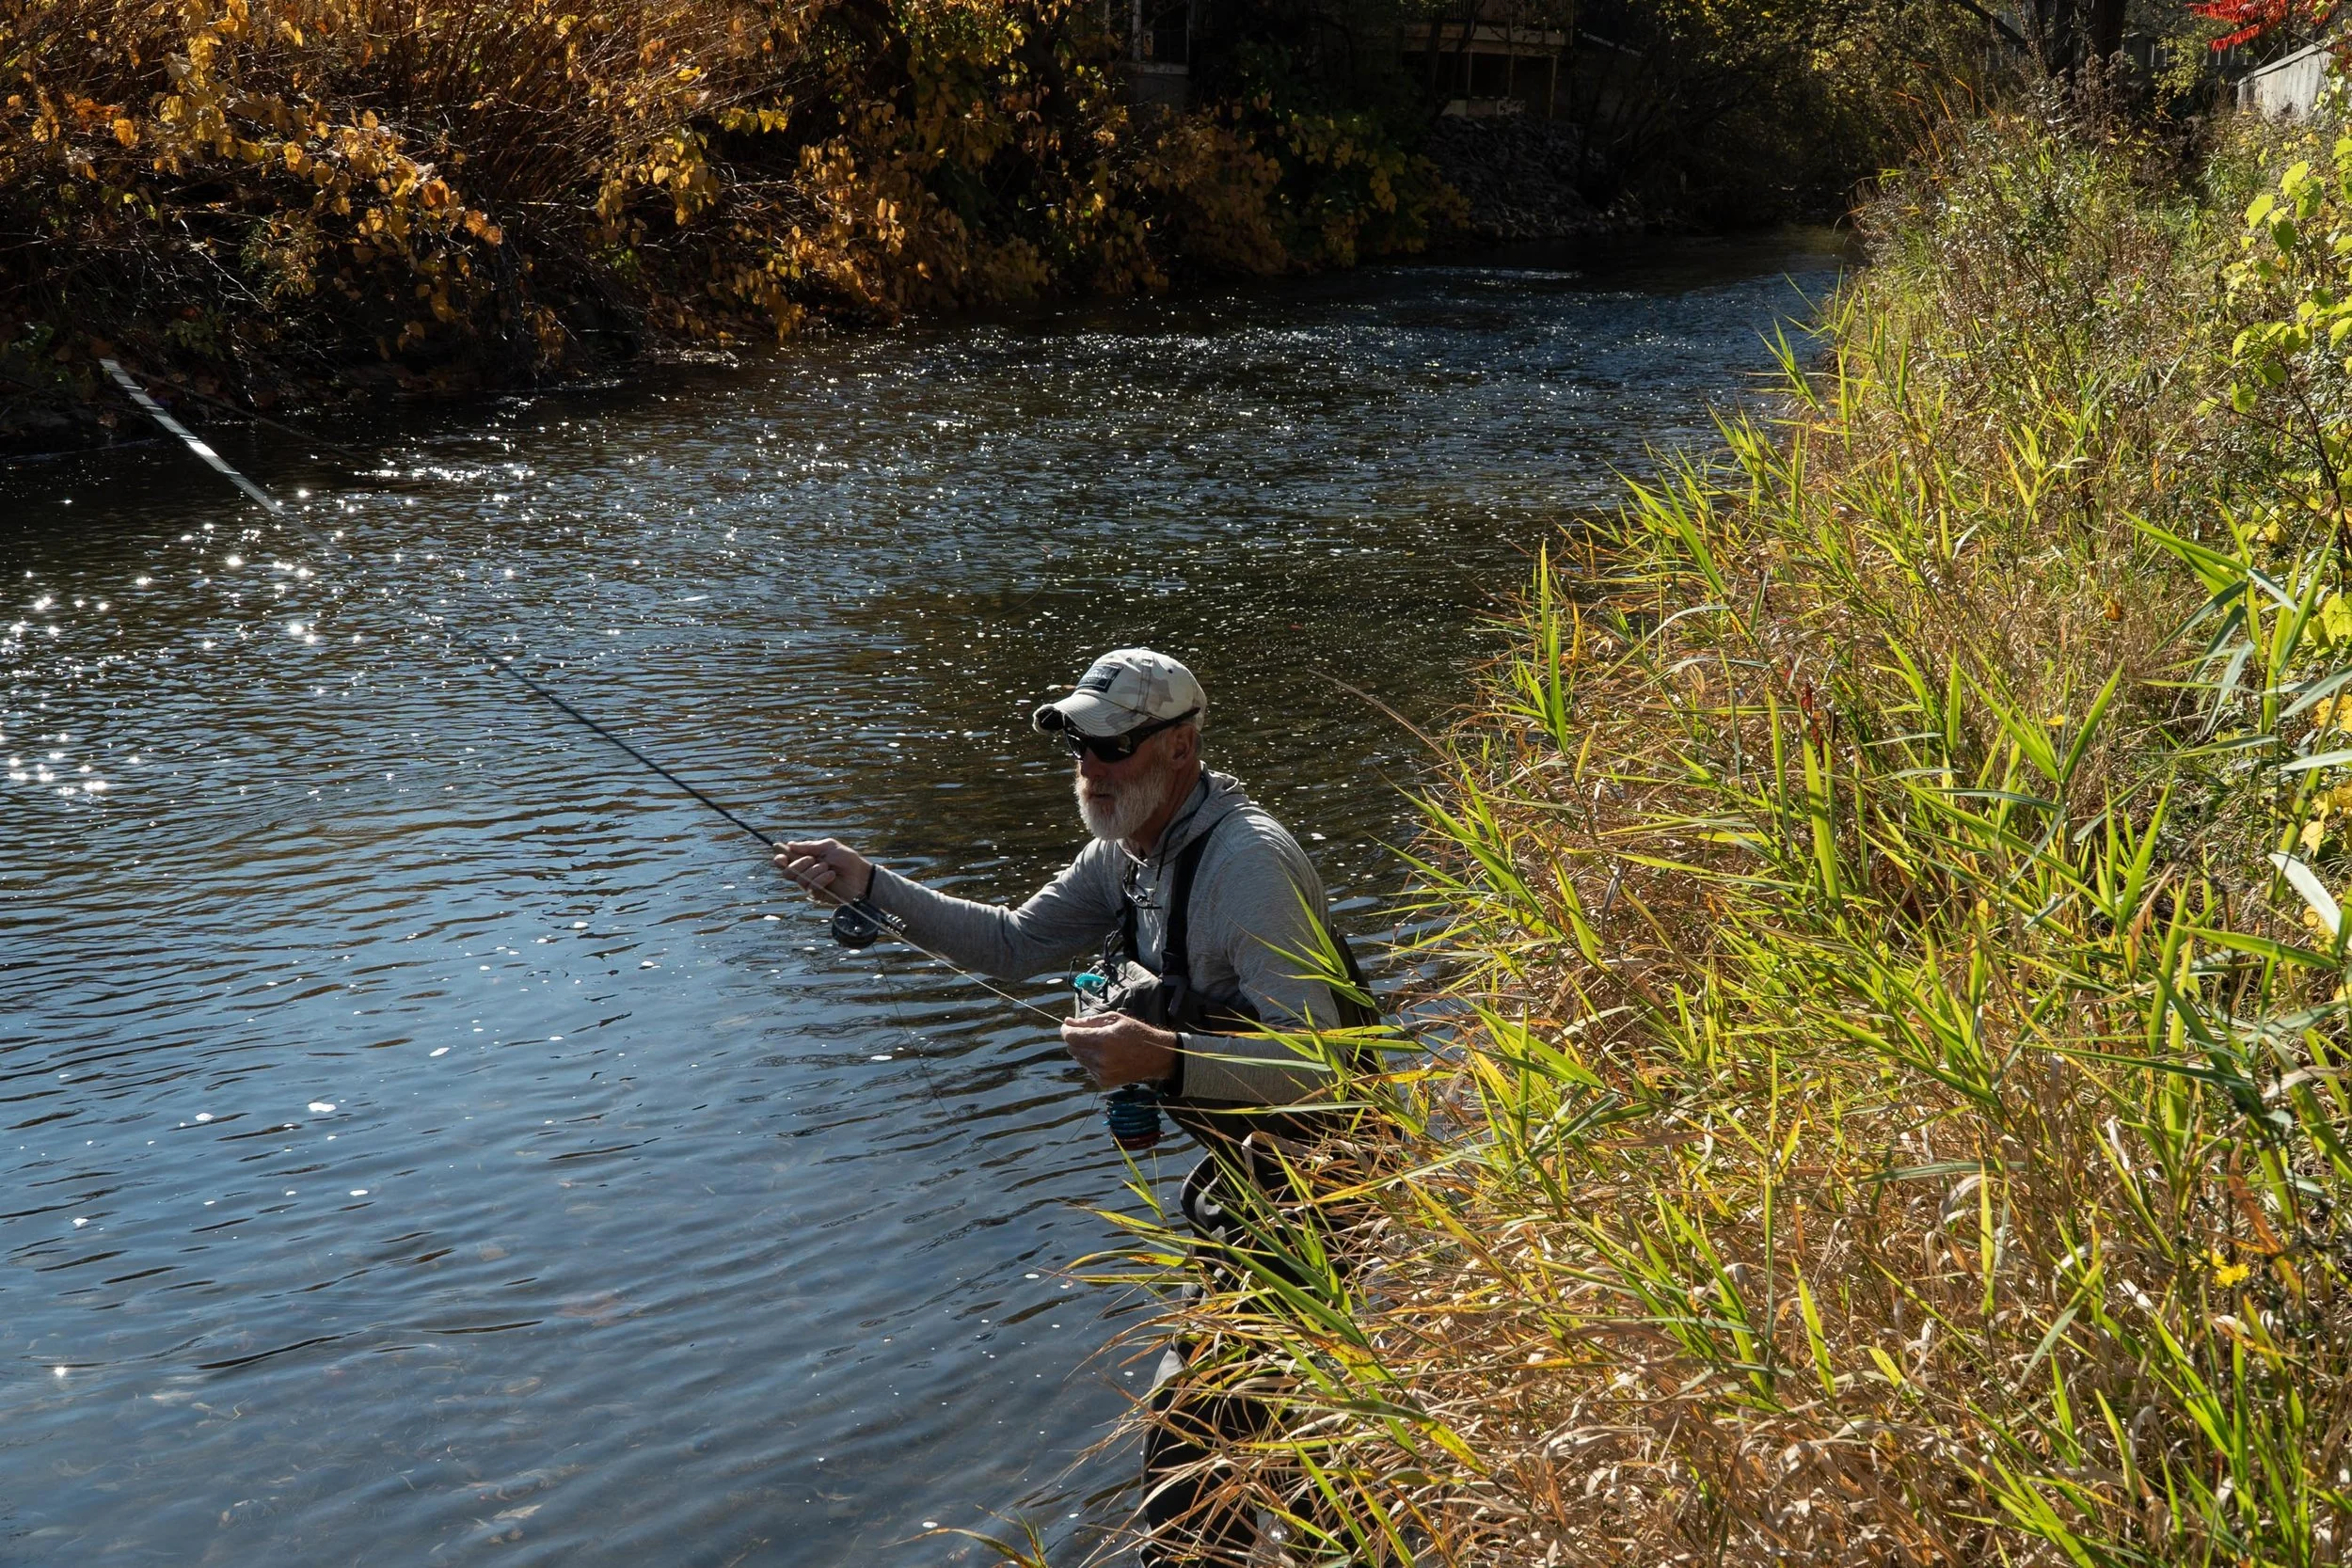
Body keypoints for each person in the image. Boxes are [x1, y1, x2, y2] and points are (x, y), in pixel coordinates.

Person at [773, 646, 1373, 1566]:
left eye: (1114, 747)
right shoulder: (1127, 850)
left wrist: (1164, 1056)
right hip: (1250, 1177)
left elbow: (1321, 1064)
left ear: (1179, 746)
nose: (1090, 769)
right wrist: (869, 885)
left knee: (1196, 1442)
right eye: (1080, 748)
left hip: (1334, 1183)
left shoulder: (1245, 863)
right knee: (1280, 1443)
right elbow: (1016, 943)